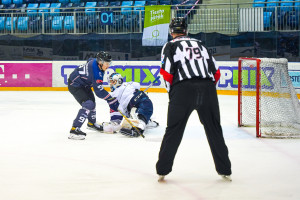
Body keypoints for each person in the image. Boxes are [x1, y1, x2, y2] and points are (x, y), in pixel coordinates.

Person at [156, 17, 232, 182]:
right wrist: (208, 90)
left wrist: (173, 95)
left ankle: (162, 170)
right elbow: (216, 73)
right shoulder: (202, 44)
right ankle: (225, 169)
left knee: (174, 130)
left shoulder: (170, 45)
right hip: (208, 88)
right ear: (186, 30)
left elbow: (167, 74)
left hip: (182, 90)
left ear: (171, 32)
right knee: (214, 129)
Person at [68, 51, 119, 140]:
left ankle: (91, 124)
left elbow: (90, 60)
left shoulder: (96, 63)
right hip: (75, 85)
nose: (108, 65)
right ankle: (74, 130)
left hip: (84, 84)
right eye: (107, 63)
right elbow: (99, 91)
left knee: (93, 104)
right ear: (100, 62)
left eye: (109, 63)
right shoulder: (96, 72)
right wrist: (110, 99)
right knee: (88, 104)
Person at [108, 72, 159, 137]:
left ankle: (139, 129)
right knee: (135, 114)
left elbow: (117, 110)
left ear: (119, 81)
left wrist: (114, 121)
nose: (111, 84)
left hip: (138, 101)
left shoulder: (113, 95)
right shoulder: (128, 83)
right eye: (110, 82)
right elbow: (137, 85)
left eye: (113, 82)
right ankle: (147, 122)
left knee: (138, 112)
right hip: (138, 101)